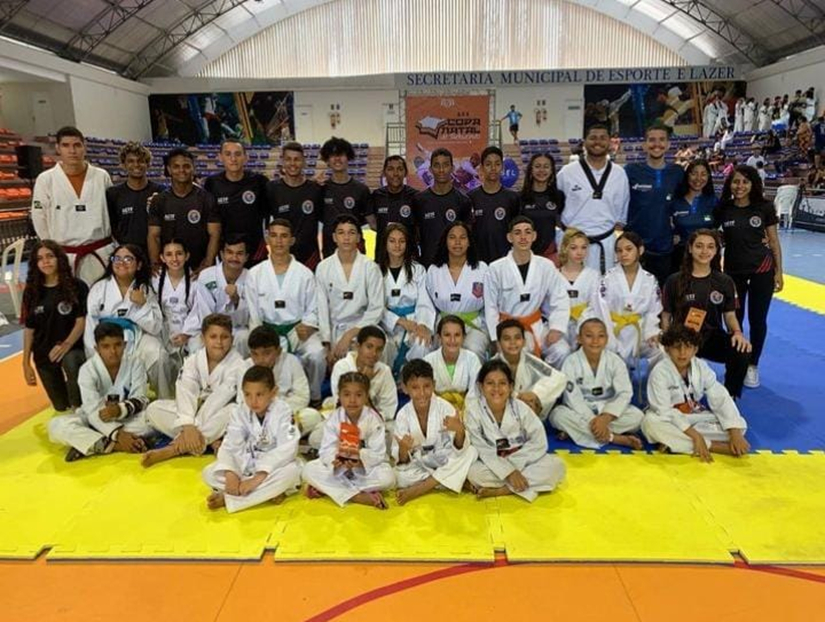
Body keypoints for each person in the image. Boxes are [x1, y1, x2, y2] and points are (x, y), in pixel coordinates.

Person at [143, 314, 244, 466]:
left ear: (232, 339)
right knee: (153, 409)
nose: (219, 342)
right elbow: (185, 392)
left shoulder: (239, 365)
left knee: (234, 411)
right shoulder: (194, 360)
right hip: (196, 415)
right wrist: (188, 425)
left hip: (217, 416)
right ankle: (208, 441)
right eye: (213, 337)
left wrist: (191, 427)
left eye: (224, 337)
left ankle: (175, 448)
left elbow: (217, 401)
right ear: (203, 339)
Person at [714, 165, 783, 389]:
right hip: (733, 273)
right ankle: (737, 361)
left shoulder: (764, 207)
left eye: (745, 181)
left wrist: (779, 272)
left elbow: (774, 241)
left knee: (757, 319)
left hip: (762, 270)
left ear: (753, 184)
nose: (740, 186)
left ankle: (753, 365)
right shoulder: (723, 208)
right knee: (734, 319)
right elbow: (714, 234)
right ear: (729, 184)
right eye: (736, 181)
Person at [245, 219, 326, 406]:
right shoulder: (255, 273)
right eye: (274, 236)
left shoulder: (304, 274)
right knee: (257, 355)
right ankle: (262, 395)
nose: (279, 241)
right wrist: (259, 335)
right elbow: (253, 311)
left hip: (297, 330)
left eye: (284, 236)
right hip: (267, 331)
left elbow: (313, 307)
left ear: (292, 240)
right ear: (267, 239)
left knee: (316, 354)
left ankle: (314, 396)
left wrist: (308, 324)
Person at [662, 229, 751, 398]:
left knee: (742, 350)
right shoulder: (674, 281)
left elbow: (730, 315)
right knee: (682, 395)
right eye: (699, 246)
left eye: (710, 247)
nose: (704, 251)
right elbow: (666, 316)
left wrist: (738, 333)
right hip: (682, 339)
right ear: (690, 248)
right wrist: (667, 343)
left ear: (716, 251)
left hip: (711, 337)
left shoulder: (725, 281)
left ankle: (729, 395)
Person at [642, 324, 749, 461]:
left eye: (688, 347)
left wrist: (734, 432)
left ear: (695, 350)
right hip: (670, 419)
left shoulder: (700, 367)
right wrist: (695, 435)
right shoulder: (660, 372)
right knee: (649, 424)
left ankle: (675, 443)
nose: (682, 353)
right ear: (667, 349)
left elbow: (720, 396)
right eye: (677, 347)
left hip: (696, 417)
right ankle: (713, 446)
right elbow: (664, 411)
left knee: (740, 426)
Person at [203, 365, 302, 513]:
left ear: (273, 392)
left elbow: (288, 448)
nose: (253, 401)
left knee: (291, 472)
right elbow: (230, 445)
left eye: (259, 394)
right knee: (209, 473)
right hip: (247, 466)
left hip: (272, 469)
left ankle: (230, 499)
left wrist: (259, 477)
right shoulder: (239, 411)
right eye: (247, 394)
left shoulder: (284, 411)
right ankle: (269, 492)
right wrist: (231, 473)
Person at [48, 322, 152, 461]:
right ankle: (116, 446)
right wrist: (119, 435)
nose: (113, 351)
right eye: (106, 346)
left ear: (125, 344)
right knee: (56, 426)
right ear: (97, 349)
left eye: (117, 345)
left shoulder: (135, 363)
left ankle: (92, 443)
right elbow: (92, 410)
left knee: (152, 419)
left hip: (128, 418)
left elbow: (141, 399)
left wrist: (120, 410)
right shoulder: (87, 370)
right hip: (95, 419)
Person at [465, 360, 566, 501]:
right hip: (494, 463)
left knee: (556, 466)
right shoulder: (473, 412)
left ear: (511, 386)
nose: (496, 389)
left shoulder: (521, 408)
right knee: (474, 473)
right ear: (480, 387)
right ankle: (521, 486)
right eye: (490, 383)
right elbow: (481, 448)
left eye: (502, 383)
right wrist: (508, 471)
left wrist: (516, 464)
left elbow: (539, 441)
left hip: (523, 459)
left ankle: (504, 490)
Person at [32, 126, 114, 284]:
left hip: (101, 252)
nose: (72, 151)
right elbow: (39, 218)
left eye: (77, 145)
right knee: (71, 298)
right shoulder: (46, 180)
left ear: (84, 147)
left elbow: (112, 212)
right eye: (66, 145)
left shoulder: (101, 176)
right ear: (58, 148)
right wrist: (51, 251)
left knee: (104, 296)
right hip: (65, 256)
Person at [484, 216, 570, 367]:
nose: (523, 237)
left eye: (528, 232)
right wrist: (496, 338)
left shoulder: (546, 266)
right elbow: (490, 307)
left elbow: (560, 298)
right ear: (509, 237)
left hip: (536, 326)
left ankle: (549, 380)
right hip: (507, 329)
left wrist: (556, 328)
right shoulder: (496, 268)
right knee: (520, 354)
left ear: (534, 236)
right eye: (517, 233)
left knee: (562, 350)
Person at [302, 371, 395, 509]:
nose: (352, 400)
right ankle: (358, 496)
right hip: (339, 471)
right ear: (339, 396)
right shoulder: (334, 418)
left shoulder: (373, 420)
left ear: (366, 397)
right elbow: (326, 450)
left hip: (362, 471)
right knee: (308, 469)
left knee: (388, 477)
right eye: (346, 395)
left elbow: (378, 454)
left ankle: (331, 490)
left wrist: (360, 458)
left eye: (358, 395)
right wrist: (335, 461)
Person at [549, 318, 644, 449]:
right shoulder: (571, 362)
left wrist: (605, 418)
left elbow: (624, 393)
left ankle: (576, 432)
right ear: (579, 339)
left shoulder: (615, 361)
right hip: (581, 411)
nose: (595, 341)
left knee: (638, 417)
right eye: (589, 336)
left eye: (600, 336)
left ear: (607, 339)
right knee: (557, 415)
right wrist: (594, 421)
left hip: (607, 409)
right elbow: (573, 398)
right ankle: (614, 438)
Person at [392, 359, 477, 505]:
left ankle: (421, 488)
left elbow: (459, 448)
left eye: (426, 386)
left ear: (434, 385)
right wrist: (403, 450)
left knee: (471, 452)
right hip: (421, 464)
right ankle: (453, 479)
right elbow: (402, 461)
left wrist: (459, 430)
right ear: (405, 389)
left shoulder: (445, 408)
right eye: (415, 388)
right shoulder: (402, 415)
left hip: (444, 458)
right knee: (398, 477)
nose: (422, 393)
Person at [84, 244, 163, 393]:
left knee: (157, 352)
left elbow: (156, 327)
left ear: (139, 265)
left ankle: (164, 398)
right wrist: (95, 354)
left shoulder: (144, 289)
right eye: (117, 258)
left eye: (128, 259)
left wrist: (143, 305)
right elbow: (90, 325)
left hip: (136, 340)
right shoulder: (99, 289)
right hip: (107, 342)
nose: (122, 262)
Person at [22, 241, 89, 413]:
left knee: (72, 364)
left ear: (59, 258)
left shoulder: (77, 286)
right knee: (60, 407)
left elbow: (81, 321)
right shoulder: (31, 292)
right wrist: (26, 363)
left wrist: (65, 345)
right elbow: (29, 329)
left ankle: (79, 404)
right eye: (40, 258)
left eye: (50, 256)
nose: (45, 261)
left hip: (72, 348)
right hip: (44, 353)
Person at [556, 124, 629, 274]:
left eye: (603, 138)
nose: (598, 142)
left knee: (604, 287)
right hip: (573, 244)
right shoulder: (567, 173)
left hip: (606, 244)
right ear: (584, 142)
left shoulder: (619, 174)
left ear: (609, 142)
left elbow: (621, 217)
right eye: (593, 138)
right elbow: (556, 209)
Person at [315, 215, 384, 365]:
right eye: (341, 232)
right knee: (318, 357)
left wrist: (350, 335)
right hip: (334, 328)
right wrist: (327, 343)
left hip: (363, 328)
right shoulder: (323, 268)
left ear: (359, 237)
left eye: (351, 233)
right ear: (334, 237)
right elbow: (322, 308)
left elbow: (376, 308)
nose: (346, 238)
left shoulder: (370, 267)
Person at [587, 232, 662, 368]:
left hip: (640, 330)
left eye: (629, 249)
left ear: (640, 250)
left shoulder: (650, 279)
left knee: (661, 351)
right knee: (609, 355)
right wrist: (608, 337)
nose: (623, 254)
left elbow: (653, 311)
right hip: (614, 330)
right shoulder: (607, 279)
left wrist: (651, 332)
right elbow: (601, 310)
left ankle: (644, 378)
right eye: (619, 251)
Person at [624, 123, 684, 287]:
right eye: (652, 140)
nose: (657, 144)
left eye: (661, 139)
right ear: (644, 144)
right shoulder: (631, 171)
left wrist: (678, 231)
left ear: (668, 144)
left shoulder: (677, 172)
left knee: (662, 294)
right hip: (635, 247)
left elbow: (682, 204)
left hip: (664, 247)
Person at [147, 147, 221, 275]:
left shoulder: (207, 198)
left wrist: (207, 263)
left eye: (186, 166)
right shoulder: (159, 200)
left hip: (200, 267)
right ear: (169, 169)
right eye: (176, 166)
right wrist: (155, 263)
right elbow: (154, 236)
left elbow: (214, 234)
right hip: (170, 268)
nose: (182, 170)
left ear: (193, 168)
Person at [238, 326, 320, 439]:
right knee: (234, 414)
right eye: (255, 354)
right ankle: (276, 438)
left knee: (312, 416)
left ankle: (270, 438)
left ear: (278, 351)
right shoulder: (244, 367)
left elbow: (302, 396)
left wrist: (276, 410)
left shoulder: (291, 361)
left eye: (266, 353)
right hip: (256, 417)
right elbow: (242, 401)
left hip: (285, 414)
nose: (260, 360)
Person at [377, 224, 435, 376]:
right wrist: (398, 321)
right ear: (385, 243)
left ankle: (414, 382)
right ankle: (385, 382)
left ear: (407, 244)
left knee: (422, 343)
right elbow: (375, 305)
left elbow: (425, 302)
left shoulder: (418, 270)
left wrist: (422, 324)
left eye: (401, 241)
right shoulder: (375, 271)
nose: (397, 245)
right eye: (392, 241)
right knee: (380, 345)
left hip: (414, 320)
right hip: (386, 324)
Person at [425, 221, 489, 360]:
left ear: (469, 242)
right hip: (443, 325)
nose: (458, 242)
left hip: (474, 325)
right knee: (434, 352)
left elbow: (490, 304)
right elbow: (427, 305)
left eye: (463, 237)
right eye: (452, 237)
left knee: (473, 350)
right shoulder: (434, 270)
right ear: (445, 242)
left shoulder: (482, 269)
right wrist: (426, 326)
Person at [484, 319, 567, 421]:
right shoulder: (491, 366)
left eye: (517, 338)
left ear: (524, 342)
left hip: (529, 410)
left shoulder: (530, 360)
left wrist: (535, 394)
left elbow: (559, 378)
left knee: (551, 384)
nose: (513, 342)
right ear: (499, 343)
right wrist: (518, 398)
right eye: (507, 338)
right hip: (502, 413)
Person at [203, 139, 269, 266]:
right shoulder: (212, 183)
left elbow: (269, 216)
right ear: (220, 157)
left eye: (238, 154)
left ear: (246, 157)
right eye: (228, 154)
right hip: (226, 250)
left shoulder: (259, 182)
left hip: (255, 250)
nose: (233, 159)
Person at [182, 236, 251, 357]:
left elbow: (248, 319)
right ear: (222, 255)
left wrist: (236, 300)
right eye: (229, 252)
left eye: (239, 254)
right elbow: (203, 312)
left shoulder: (252, 278)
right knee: (196, 345)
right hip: (209, 328)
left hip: (236, 329)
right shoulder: (206, 276)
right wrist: (218, 333)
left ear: (246, 257)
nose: (234, 258)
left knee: (245, 338)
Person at [265, 142, 325, 269]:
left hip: (309, 258)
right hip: (282, 257)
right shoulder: (271, 189)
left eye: (297, 159)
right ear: (282, 161)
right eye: (288, 159)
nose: (292, 163)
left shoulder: (316, 190)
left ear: (303, 162)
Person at [324, 326, 398, 427]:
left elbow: (389, 409)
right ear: (358, 346)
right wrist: (364, 382)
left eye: (379, 349)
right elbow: (344, 405)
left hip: (375, 423)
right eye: (369, 347)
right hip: (345, 420)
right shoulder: (342, 367)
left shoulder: (384, 371)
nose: (374, 353)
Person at [412, 148, 472, 266]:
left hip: (455, 267)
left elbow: (467, 236)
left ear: (452, 168)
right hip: (428, 266)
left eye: (445, 165)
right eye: (437, 165)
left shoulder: (463, 201)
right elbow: (415, 235)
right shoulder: (419, 200)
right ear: (430, 169)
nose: (441, 170)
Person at [152, 239, 197, 393]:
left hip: (188, 331)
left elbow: (198, 311)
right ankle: (163, 397)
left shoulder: (195, 280)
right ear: (162, 258)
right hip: (163, 329)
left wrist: (186, 333)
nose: (174, 259)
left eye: (179, 254)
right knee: (159, 355)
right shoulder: (155, 279)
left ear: (187, 256)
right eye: (169, 254)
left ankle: (192, 394)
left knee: (196, 351)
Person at [106, 142, 163, 257]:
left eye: (141, 161)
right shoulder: (113, 194)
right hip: (127, 255)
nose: (136, 165)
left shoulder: (160, 192)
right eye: (131, 161)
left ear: (148, 164)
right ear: (123, 165)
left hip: (155, 253)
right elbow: (112, 227)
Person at [319, 137, 373, 257]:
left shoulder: (361, 189)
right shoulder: (320, 189)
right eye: (333, 155)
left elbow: (373, 223)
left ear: (348, 157)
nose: (337, 159)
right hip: (330, 250)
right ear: (327, 160)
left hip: (356, 251)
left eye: (341, 155)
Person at [468, 146, 520, 263]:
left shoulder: (513, 198)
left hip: (505, 261)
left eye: (497, 164)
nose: (493, 168)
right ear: (482, 168)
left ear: (502, 167)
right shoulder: (470, 198)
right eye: (488, 164)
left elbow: (517, 231)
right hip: (478, 262)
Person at [423, 315, 482, 415]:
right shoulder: (428, 361)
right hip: (436, 411)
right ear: (439, 337)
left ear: (464, 337)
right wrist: (443, 411)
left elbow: (475, 392)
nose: (452, 340)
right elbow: (425, 392)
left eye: (457, 335)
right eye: (447, 335)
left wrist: (463, 413)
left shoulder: (472, 359)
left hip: (466, 410)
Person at [557, 228, 600, 357]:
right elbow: (548, 307)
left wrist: (581, 328)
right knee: (560, 351)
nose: (579, 252)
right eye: (574, 248)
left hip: (584, 325)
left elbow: (595, 306)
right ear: (565, 248)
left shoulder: (594, 276)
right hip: (559, 326)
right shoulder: (554, 275)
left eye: (583, 247)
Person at [367, 155, 418, 259]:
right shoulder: (376, 196)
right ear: (384, 172)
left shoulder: (415, 197)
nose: (395, 173)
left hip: (409, 257)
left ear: (405, 172)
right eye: (390, 169)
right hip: (383, 257)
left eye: (400, 169)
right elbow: (373, 225)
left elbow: (420, 228)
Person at [671, 159, 717, 269]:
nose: (698, 178)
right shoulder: (675, 202)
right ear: (687, 175)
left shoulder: (714, 201)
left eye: (703, 174)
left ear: (708, 177)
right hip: (680, 258)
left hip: (706, 258)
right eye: (694, 173)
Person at [519, 153, 565, 261]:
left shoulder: (558, 196)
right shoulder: (519, 198)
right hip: (525, 253)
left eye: (546, 166)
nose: (541, 170)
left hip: (550, 253)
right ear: (531, 169)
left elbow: (563, 225)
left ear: (552, 170)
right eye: (537, 166)